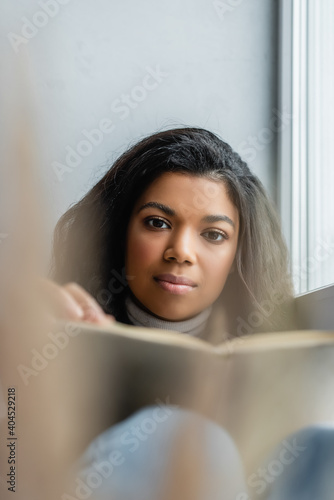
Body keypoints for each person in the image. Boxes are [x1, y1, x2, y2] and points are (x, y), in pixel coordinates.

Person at [46, 127, 296, 500]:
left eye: (213, 234)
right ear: (120, 233)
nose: (180, 252)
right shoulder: (56, 331)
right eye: (157, 223)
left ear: (238, 255)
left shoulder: (268, 360)